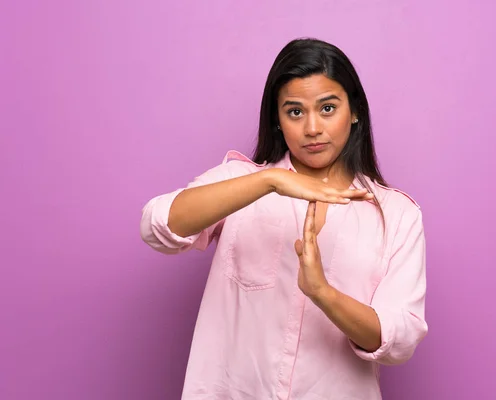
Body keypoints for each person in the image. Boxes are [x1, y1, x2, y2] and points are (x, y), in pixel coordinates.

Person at [140, 38, 428, 400]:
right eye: (294, 112)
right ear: (277, 120)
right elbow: (158, 226)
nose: (312, 128)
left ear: (354, 111)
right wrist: (269, 181)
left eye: (327, 108)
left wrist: (323, 293)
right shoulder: (241, 182)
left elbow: (399, 339)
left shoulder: (397, 214)